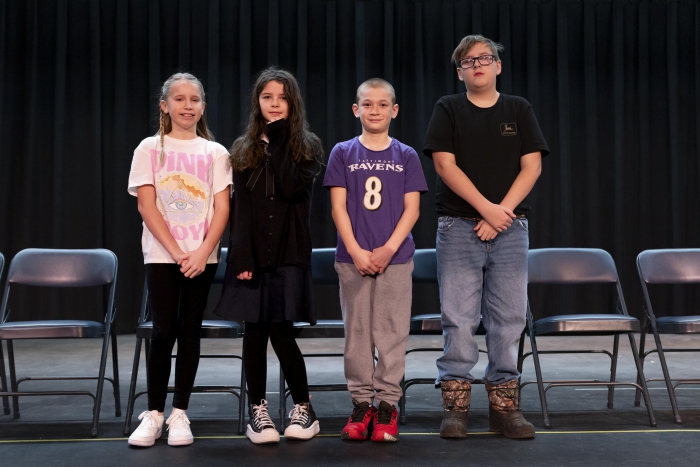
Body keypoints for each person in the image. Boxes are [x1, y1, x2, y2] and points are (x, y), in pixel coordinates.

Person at [422, 35, 550, 439]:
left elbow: (531, 167)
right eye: (468, 61)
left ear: (497, 66)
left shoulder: (518, 108)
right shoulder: (449, 108)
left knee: (509, 319)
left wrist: (501, 214)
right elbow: (444, 165)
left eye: (485, 58)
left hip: (510, 230)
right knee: (458, 319)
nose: (477, 64)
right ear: (460, 72)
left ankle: (505, 409)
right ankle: (456, 410)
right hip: (458, 227)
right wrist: (486, 210)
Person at [214, 68, 323, 444]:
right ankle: (257, 409)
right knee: (254, 332)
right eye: (267, 97)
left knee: (281, 331)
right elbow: (240, 210)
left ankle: (305, 407)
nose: (274, 104)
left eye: (282, 98)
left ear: (292, 103)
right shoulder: (242, 149)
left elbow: (292, 188)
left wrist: (277, 137)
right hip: (254, 256)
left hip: (289, 254)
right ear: (256, 102)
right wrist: (240, 257)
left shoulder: (305, 147)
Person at [127, 73, 232, 447]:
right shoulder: (149, 149)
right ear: (164, 105)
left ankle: (180, 413)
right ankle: (154, 413)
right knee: (163, 331)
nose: (187, 106)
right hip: (163, 256)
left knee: (189, 333)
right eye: (179, 99)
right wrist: (175, 252)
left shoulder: (215, 152)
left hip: (201, 258)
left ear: (203, 106)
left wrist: (203, 252)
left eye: (194, 99)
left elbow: (222, 208)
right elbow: (146, 204)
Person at [324, 78, 428, 442]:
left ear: (394, 110)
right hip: (353, 259)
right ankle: (361, 403)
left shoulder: (407, 155)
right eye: (368, 104)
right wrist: (355, 249)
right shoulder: (342, 152)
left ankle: (387, 405)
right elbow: (338, 207)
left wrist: (388, 249)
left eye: (383, 105)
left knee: (392, 332)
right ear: (356, 110)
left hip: (395, 259)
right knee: (357, 335)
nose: (375, 110)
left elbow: (412, 209)